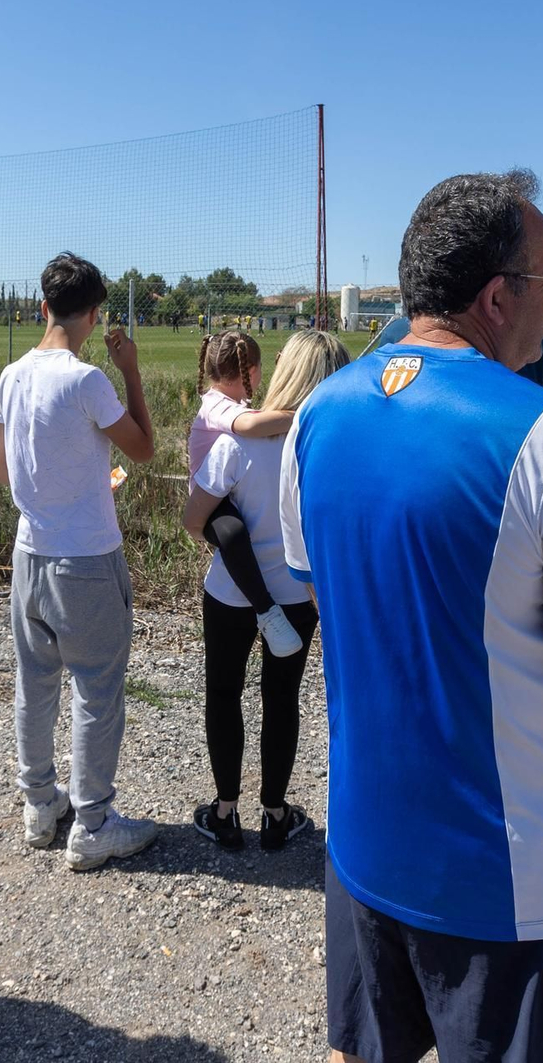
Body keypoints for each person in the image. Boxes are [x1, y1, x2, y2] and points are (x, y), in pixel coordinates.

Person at [281, 171, 543, 1063]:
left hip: (366, 844)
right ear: (498, 296)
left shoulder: (317, 416)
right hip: (509, 879)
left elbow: (333, 602)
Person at [0, 252, 160, 872]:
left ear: (42, 308)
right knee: (96, 689)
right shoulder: (87, 380)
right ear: (92, 315)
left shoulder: (12, 374)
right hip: (84, 558)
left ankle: (39, 804)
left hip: (29, 555)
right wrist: (130, 370)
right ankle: (93, 821)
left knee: (36, 684)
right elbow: (141, 448)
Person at [183, 331, 349, 851]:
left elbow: (194, 518)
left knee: (223, 694)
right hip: (299, 596)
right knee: (282, 700)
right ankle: (276, 814)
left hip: (232, 592)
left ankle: (225, 811)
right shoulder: (332, 448)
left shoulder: (237, 442)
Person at [188, 329, 305, 659]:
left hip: (221, 492)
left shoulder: (230, 403)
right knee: (233, 532)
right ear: (251, 370)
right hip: (211, 500)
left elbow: (257, 417)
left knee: (236, 535)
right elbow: (252, 427)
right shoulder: (215, 406)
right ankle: (266, 610)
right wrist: (304, 413)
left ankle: (265, 610)